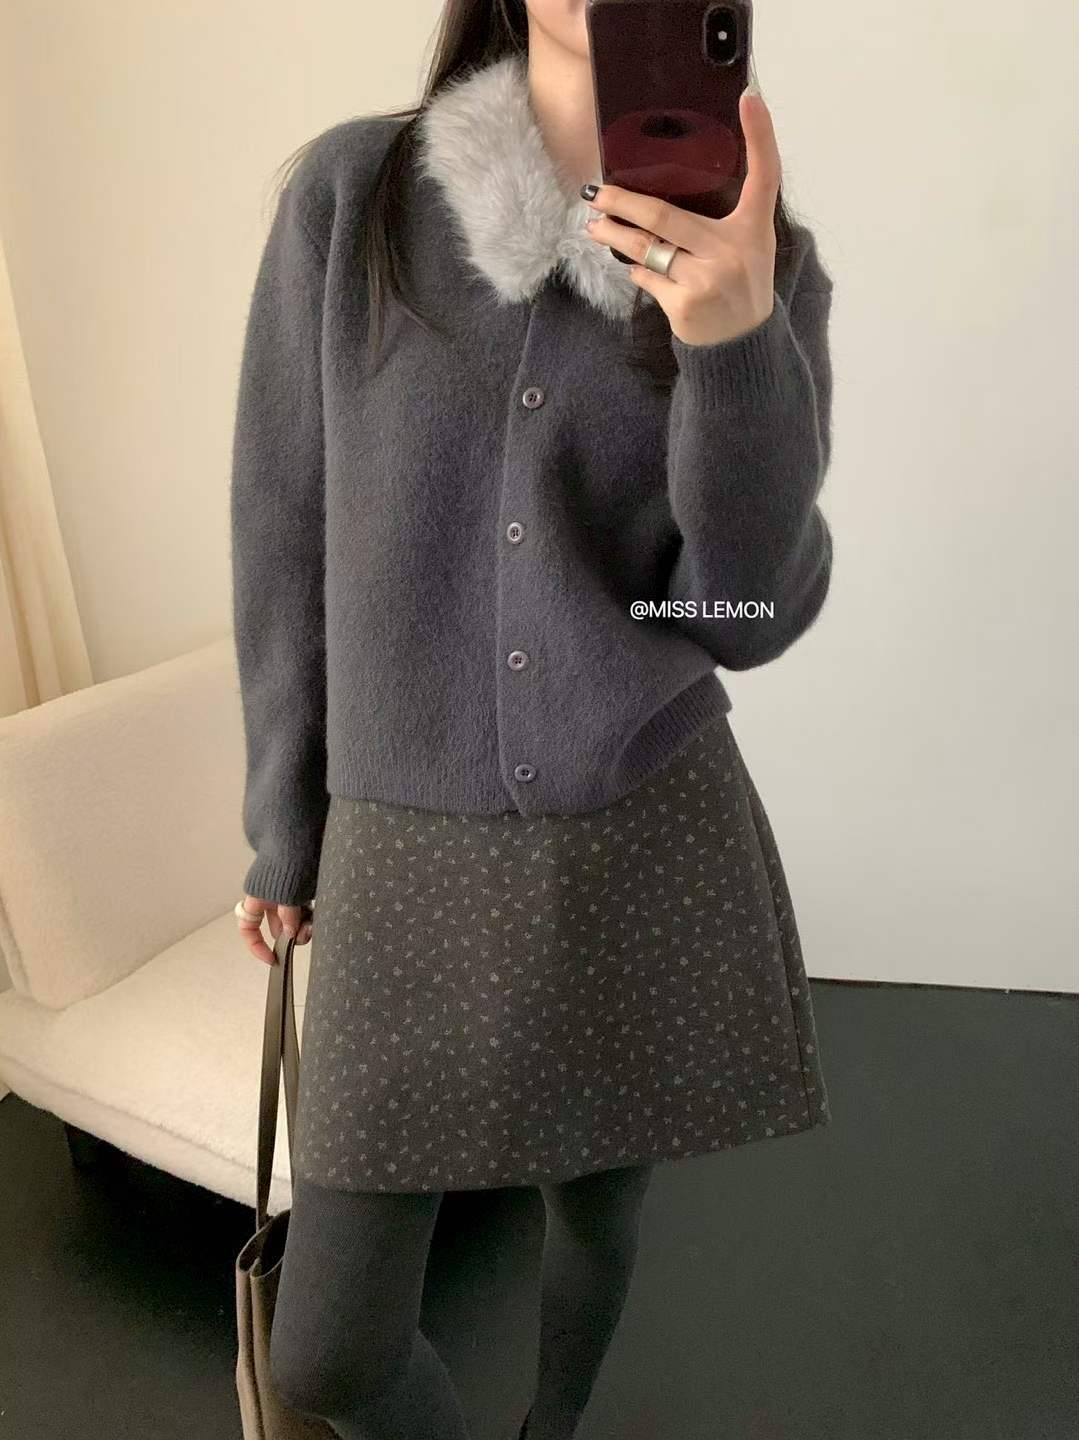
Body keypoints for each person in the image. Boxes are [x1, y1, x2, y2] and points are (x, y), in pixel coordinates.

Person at [229, 3, 836, 1437]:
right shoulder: (356, 196)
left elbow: (746, 613)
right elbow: (285, 530)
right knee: (329, 1353)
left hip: (642, 837)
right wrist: (284, 825)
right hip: (404, 861)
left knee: (599, 1217)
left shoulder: (759, 255)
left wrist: (735, 345)